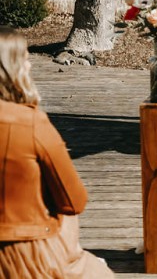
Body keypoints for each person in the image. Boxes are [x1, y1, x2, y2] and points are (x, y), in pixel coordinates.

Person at [0, 26, 114, 278]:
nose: (29, 68)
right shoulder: (30, 123)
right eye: (25, 61)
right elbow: (74, 200)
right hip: (26, 254)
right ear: (12, 70)